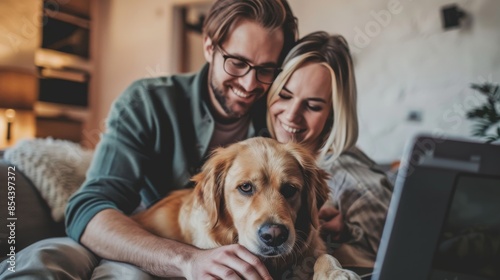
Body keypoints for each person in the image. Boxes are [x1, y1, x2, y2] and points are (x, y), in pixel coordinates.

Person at [0, 1, 297, 279]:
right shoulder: (147, 102)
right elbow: (88, 206)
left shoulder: (279, 119)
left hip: (208, 253)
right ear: (209, 46)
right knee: (43, 259)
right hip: (133, 234)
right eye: (237, 62)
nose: (249, 83)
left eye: (266, 69)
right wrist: (188, 260)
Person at [266, 31, 393, 275]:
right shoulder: (265, 152)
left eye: (313, 105)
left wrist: (328, 235)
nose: (291, 114)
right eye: (284, 95)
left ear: (333, 114)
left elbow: (398, 254)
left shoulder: (348, 176)